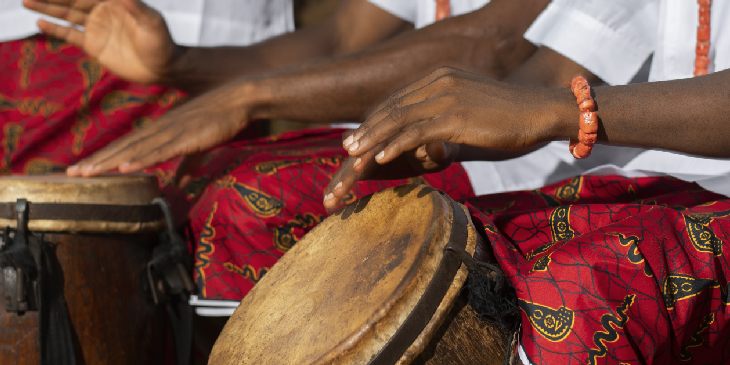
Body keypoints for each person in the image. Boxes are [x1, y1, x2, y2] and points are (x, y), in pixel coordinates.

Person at [29, 0, 556, 305]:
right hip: (427, 139)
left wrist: (249, 95)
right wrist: (180, 63)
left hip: (523, 165)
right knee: (189, 178)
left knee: (245, 198)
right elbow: (339, 37)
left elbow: (490, 45)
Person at [326, 1, 730, 363]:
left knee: (580, 290)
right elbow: (556, 67)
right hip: (648, 175)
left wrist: (556, 112)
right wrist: (448, 140)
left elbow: (493, 43)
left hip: (695, 188)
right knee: (432, 238)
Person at [0, 0, 293, 173]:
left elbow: (335, 41)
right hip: (28, 45)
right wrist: (180, 64)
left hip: (205, 46)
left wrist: (243, 96)